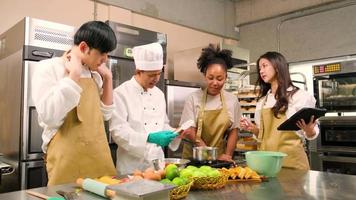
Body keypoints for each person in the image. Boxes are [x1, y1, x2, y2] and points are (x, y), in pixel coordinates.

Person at [32, 21, 117, 185]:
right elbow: (49, 116)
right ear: (84, 48)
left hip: (97, 157)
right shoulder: (48, 68)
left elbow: (105, 115)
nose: (105, 59)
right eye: (103, 53)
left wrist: (108, 79)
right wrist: (74, 76)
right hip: (66, 160)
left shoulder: (95, 75)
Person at [240, 51, 319, 170]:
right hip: (266, 164)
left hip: (292, 164)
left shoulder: (300, 96)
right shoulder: (262, 101)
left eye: (265, 66)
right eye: (259, 67)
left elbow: (312, 133)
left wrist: (309, 130)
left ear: (277, 67)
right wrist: (254, 129)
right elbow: (263, 136)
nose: (261, 71)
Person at [110, 42, 179, 175]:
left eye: (158, 74)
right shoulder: (121, 93)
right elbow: (118, 132)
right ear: (138, 71)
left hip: (157, 166)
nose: (156, 79)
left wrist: (175, 133)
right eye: (151, 75)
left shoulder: (159, 94)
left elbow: (162, 124)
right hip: (131, 168)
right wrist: (149, 138)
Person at [179, 44, 241, 162]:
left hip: (220, 160)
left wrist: (228, 156)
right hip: (194, 160)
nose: (215, 83)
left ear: (226, 77)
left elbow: (234, 131)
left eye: (219, 78)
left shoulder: (232, 100)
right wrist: (212, 155)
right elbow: (191, 132)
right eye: (210, 78)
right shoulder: (193, 99)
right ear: (204, 76)